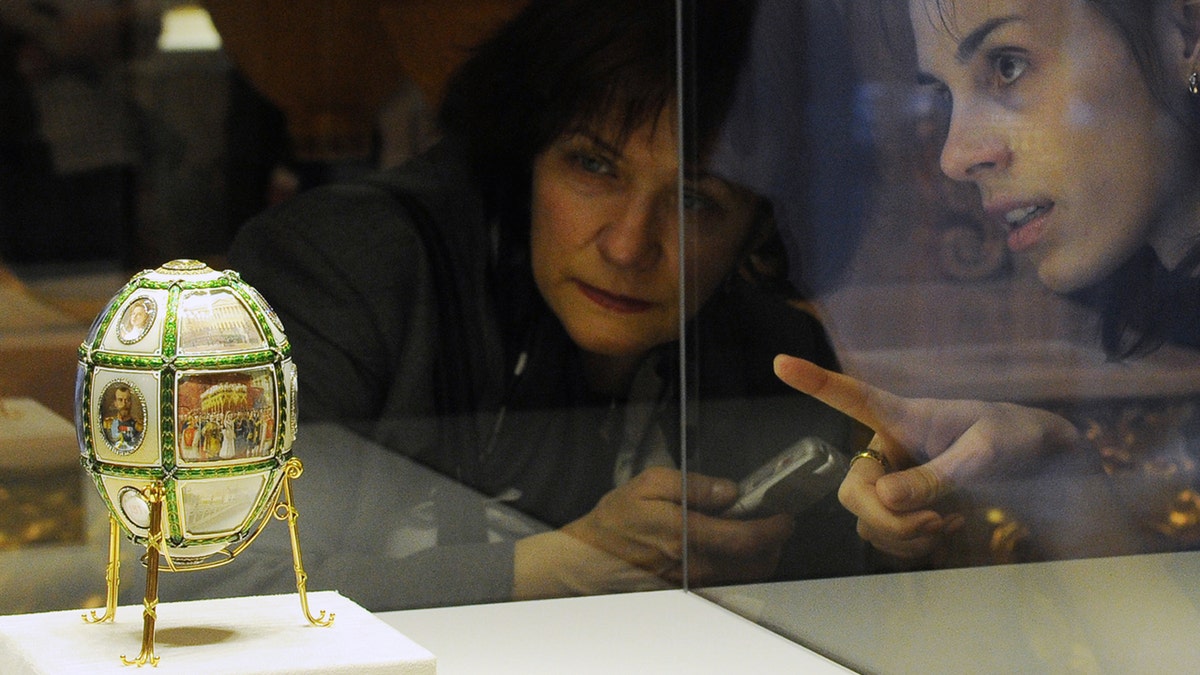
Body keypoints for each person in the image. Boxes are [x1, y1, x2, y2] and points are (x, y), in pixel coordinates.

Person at [228, 0, 862, 610]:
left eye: (695, 201)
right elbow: (203, 583)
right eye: (594, 166)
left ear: (760, 228)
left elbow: (842, 612)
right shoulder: (346, 267)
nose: (627, 245)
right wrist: (554, 568)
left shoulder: (777, 356)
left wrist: (902, 527)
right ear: (523, 157)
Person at [776, 0, 1200, 562]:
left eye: (1007, 66)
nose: (955, 157)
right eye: (945, 95)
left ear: (1186, 32)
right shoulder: (1144, 305)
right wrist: (1052, 474)